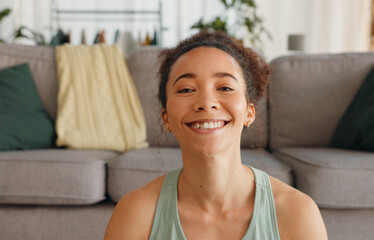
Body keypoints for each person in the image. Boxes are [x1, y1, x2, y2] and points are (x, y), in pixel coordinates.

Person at [104, 31, 328, 240]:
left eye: (225, 88)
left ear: (249, 113)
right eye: (186, 89)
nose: (206, 103)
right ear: (166, 118)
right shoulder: (135, 213)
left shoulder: (298, 213)